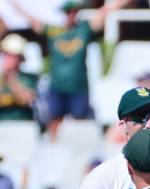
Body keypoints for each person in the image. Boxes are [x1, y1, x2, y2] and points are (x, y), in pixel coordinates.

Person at [11, 0, 130, 138]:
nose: (70, 15)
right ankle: (54, 149)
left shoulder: (83, 29)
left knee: (79, 123)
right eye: (68, 12)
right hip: (57, 87)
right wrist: (14, 4)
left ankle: (79, 152)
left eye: (73, 12)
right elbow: (31, 20)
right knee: (54, 122)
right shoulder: (53, 31)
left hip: (78, 87)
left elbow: (104, 12)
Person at [0, 33, 37, 121]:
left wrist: (11, 79)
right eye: (6, 54)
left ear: (20, 58)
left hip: (23, 127)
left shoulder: (29, 78)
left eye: (12, 55)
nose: (9, 58)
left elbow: (28, 100)